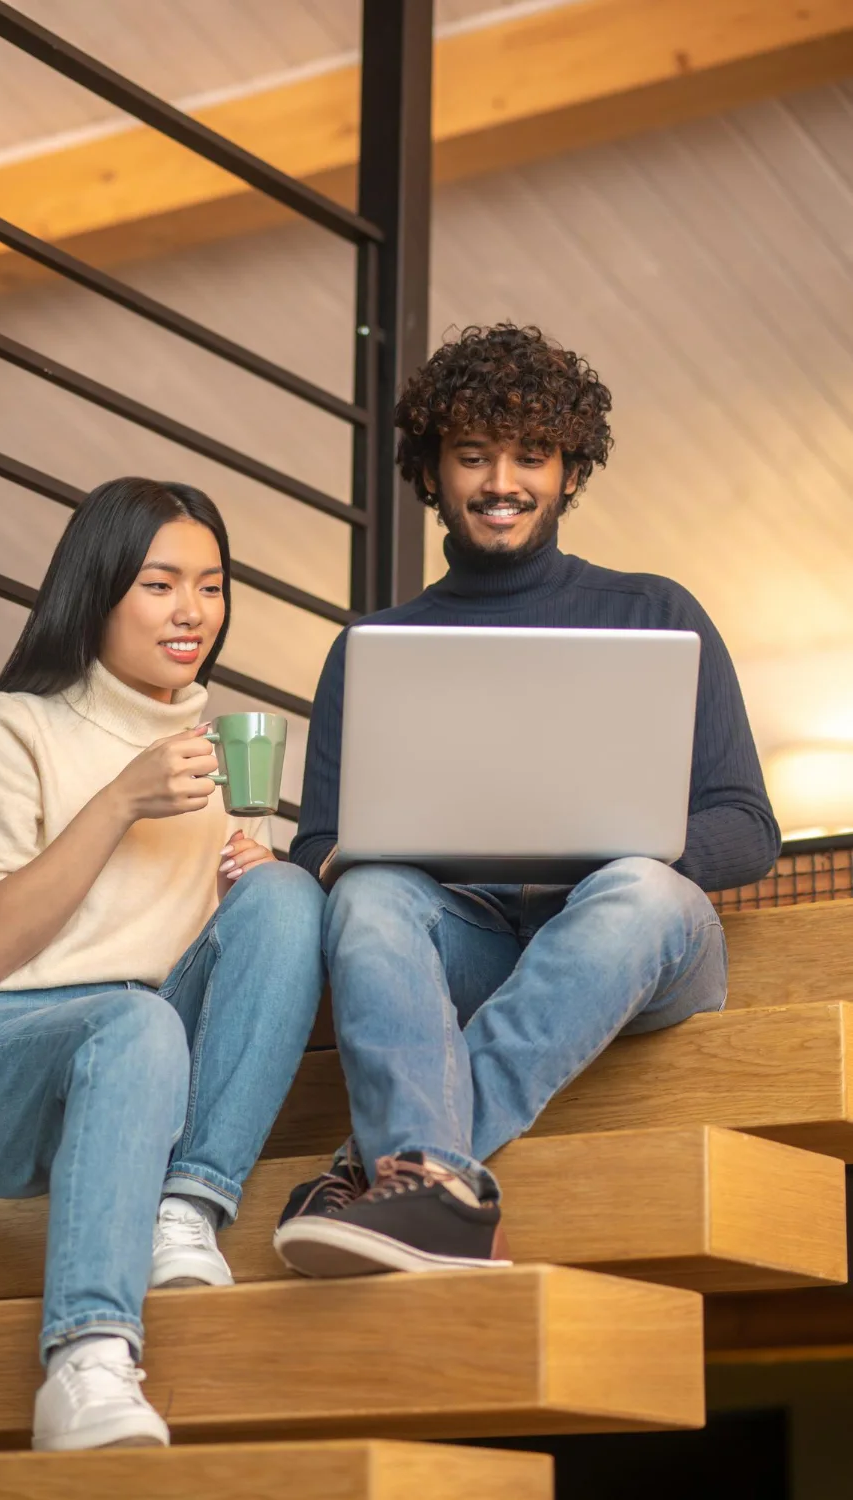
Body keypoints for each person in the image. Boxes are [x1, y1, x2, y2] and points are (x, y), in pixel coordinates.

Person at [273, 323, 780, 1279]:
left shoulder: (655, 613)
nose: (500, 480)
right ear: (432, 472)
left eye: (530, 455)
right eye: (472, 455)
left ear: (570, 473)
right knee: (370, 894)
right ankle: (435, 1198)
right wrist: (346, 859)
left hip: (630, 947)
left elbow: (748, 827)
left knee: (641, 887)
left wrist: (624, 851)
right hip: (471, 942)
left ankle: (384, 1165)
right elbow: (323, 847)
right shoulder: (376, 648)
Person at [0, 477, 325, 1451]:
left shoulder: (226, 752)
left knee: (287, 895)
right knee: (132, 1017)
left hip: (146, 1071)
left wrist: (255, 881)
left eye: (212, 585)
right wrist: (116, 802)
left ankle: (185, 1206)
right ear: (97, 589)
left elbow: (226, 958)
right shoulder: (12, 728)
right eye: (159, 583)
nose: (192, 611)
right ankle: (86, 1357)